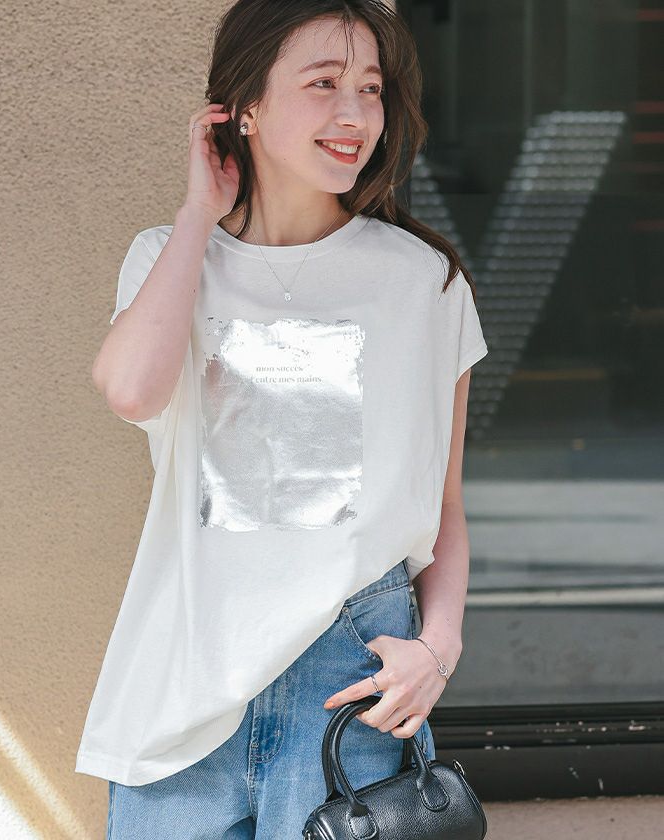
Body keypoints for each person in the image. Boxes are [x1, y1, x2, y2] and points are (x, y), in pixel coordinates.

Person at [76, 0, 489, 837]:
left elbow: (443, 504)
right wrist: (198, 215)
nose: (355, 114)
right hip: (185, 677)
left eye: (370, 88)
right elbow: (131, 393)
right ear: (245, 107)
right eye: (323, 83)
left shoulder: (424, 281)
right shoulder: (169, 257)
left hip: (351, 678)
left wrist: (438, 650)